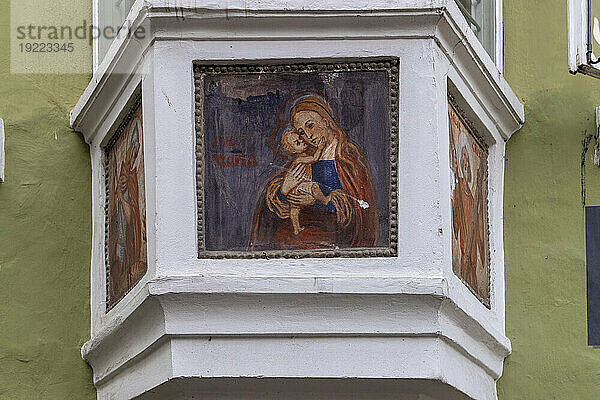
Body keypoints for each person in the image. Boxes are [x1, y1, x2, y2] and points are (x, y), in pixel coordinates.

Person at [250, 94, 378, 250]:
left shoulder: (348, 158)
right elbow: (274, 200)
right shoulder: (304, 155)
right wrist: (283, 191)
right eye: (301, 132)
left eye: (310, 125)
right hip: (292, 238)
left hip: (329, 237)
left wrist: (316, 201)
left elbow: (359, 207)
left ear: (325, 121)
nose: (308, 136)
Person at [279, 128, 331, 235]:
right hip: (300, 186)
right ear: (293, 151)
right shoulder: (299, 159)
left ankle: (296, 228)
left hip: (296, 188)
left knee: (294, 210)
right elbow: (314, 158)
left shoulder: (299, 158)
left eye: (300, 138)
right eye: (298, 143)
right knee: (314, 187)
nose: (302, 141)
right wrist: (320, 148)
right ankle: (325, 200)